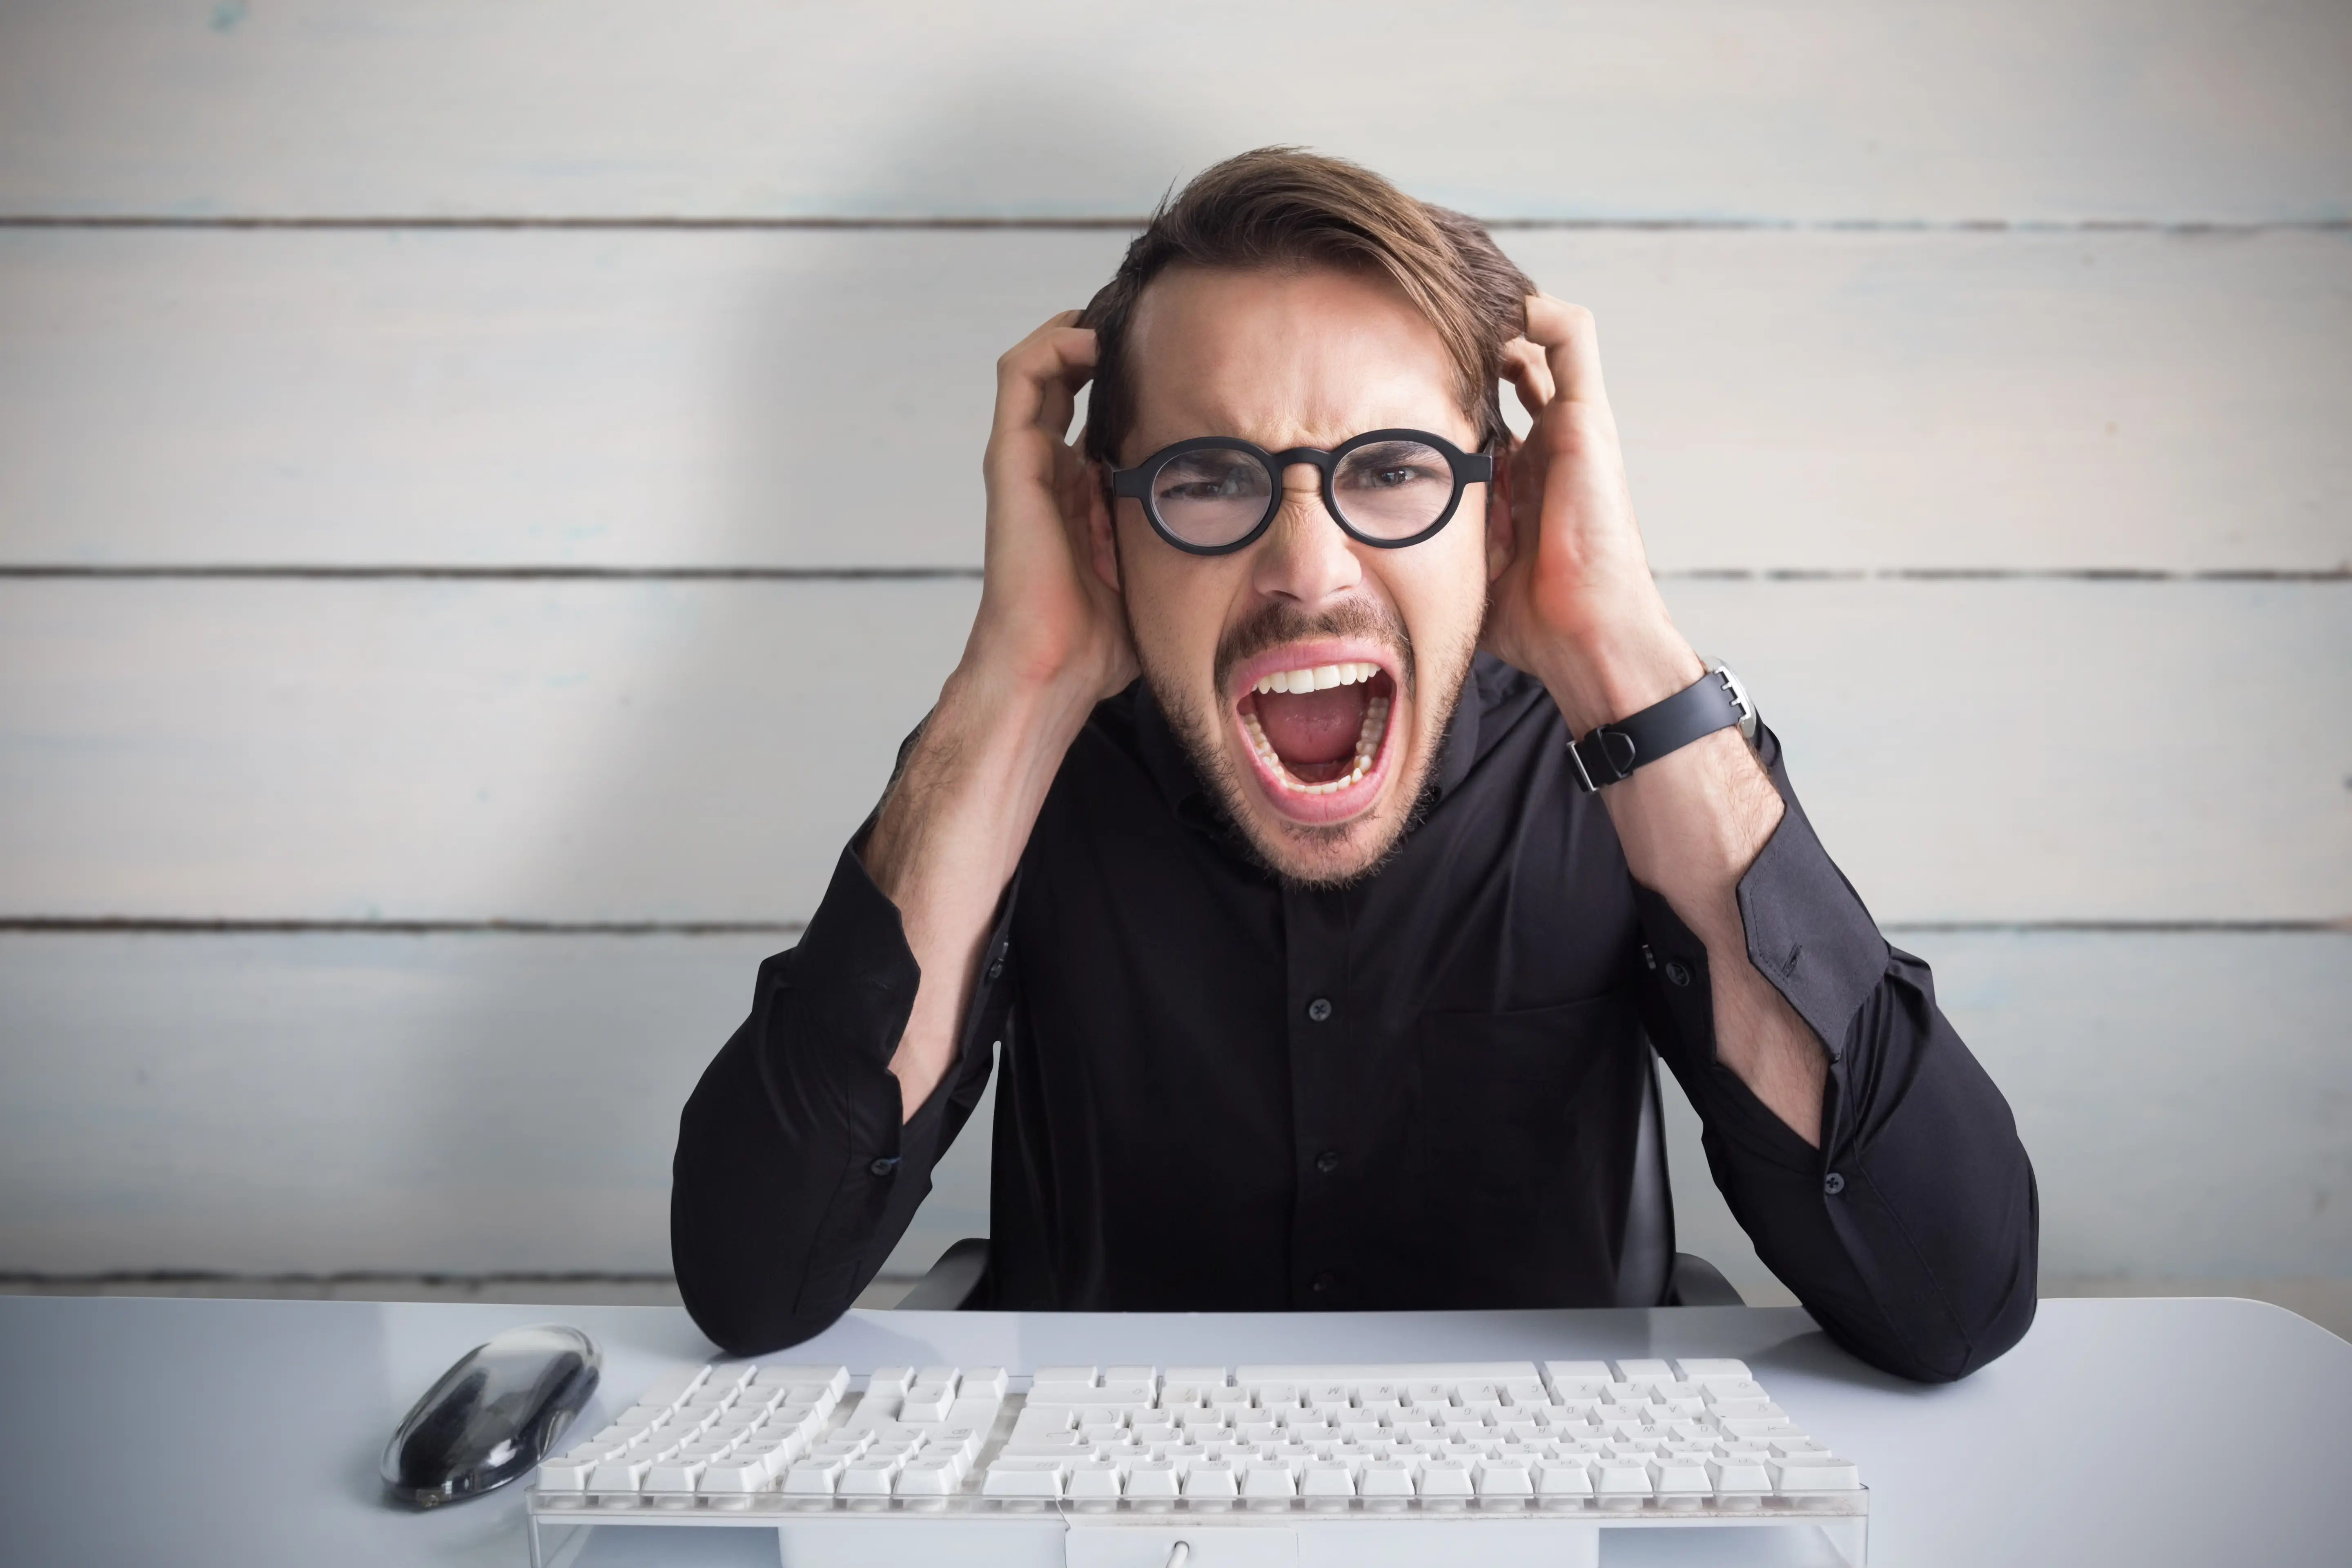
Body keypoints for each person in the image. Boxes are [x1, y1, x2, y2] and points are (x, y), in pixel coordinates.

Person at [672, 149, 2037, 1382]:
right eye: (1211, 478)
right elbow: (755, 1279)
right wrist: (1012, 685)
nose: (1309, 572)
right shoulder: (1033, 783)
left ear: (1494, 513)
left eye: (1391, 470)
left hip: (1537, 1501)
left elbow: (1956, 1299)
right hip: (1109, 1505)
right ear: (1112, 529)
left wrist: (1624, 653)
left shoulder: (1623, 778)